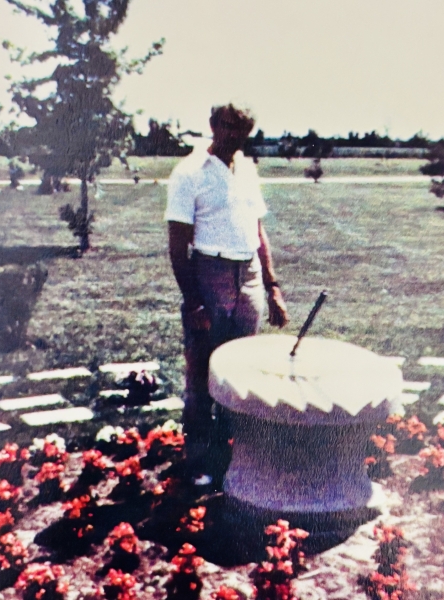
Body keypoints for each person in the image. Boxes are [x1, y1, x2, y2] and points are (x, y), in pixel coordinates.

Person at [165, 104, 290, 484]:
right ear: (214, 125)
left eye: (244, 130)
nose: (235, 136)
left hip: (248, 274)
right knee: (203, 369)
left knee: (243, 368)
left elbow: (258, 231)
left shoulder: (247, 169)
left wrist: (272, 286)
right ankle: (201, 461)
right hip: (210, 273)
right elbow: (177, 245)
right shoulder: (189, 173)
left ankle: (235, 455)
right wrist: (194, 299)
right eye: (229, 127)